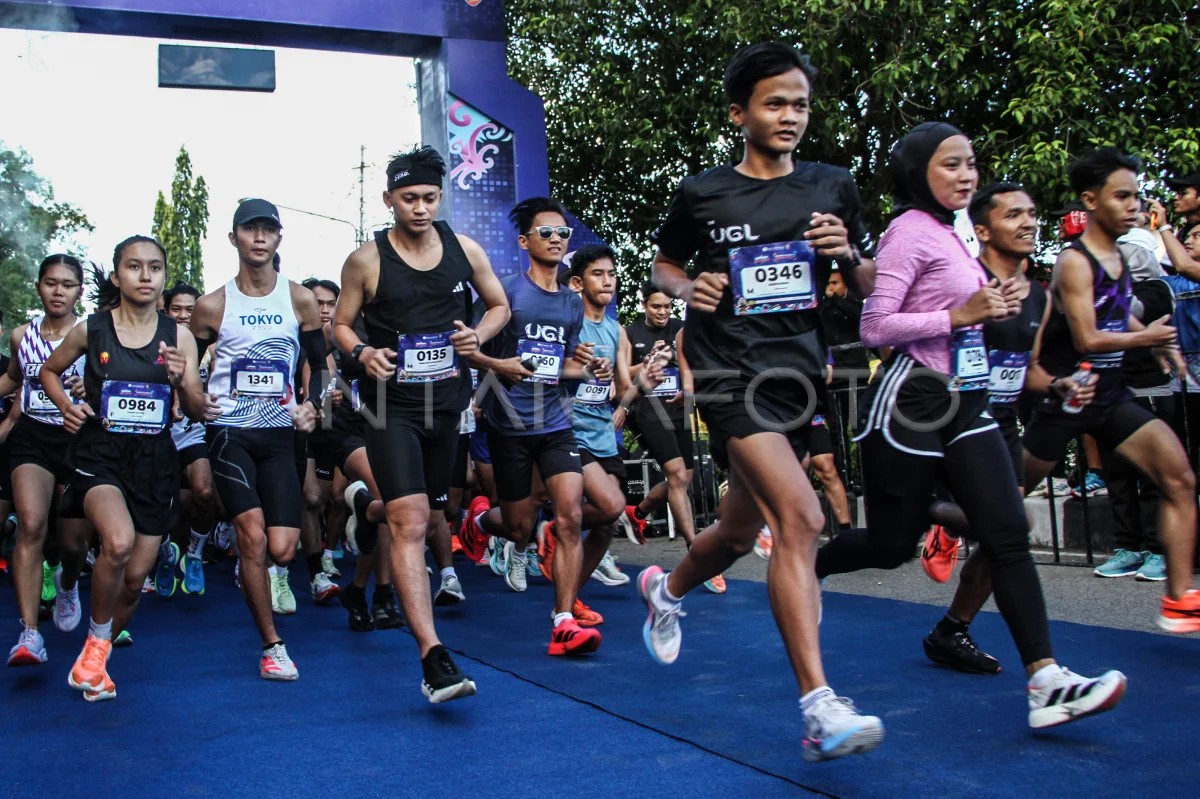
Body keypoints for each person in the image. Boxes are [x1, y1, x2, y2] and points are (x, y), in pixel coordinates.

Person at [816, 124, 1130, 731]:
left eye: (971, 163)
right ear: (918, 172)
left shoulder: (952, 234)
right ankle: (811, 570)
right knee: (892, 545)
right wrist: (959, 313)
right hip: (911, 400)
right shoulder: (910, 230)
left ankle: (1046, 680)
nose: (966, 175)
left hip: (965, 400)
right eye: (951, 164)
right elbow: (876, 327)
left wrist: (1005, 334)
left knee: (1007, 530)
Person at [637, 42, 884, 761]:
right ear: (739, 113)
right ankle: (819, 708)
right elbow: (664, 264)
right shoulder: (704, 192)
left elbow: (869, 283)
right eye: (775, 103)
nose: (790, 116)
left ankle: (665, 590)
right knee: (801, 518)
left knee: (739, 534)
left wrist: (848, 253)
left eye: (800, 104)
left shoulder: (833, 185)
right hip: (727, 373)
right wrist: (689, 288)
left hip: (797, 376)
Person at [334, 145, 508, 702]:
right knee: (411, 523)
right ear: (389, 199)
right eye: (409, 198)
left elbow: (499, 305)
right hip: (390, 406)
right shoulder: (366, 260)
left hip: (446, 406)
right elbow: (340, 324)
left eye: (430, 197)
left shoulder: (465, 250)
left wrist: (478, 335)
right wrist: (363, 352)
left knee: (437, 513)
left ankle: (366, 511)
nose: (421, 208)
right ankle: (433, 657)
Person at [1021, 148, 1199, 632]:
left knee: (1180, 479)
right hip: (1068, 395)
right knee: (1003, 510)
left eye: (1136, 196)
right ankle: (950, 532)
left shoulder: (1119, 256)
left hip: (1111, 395)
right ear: (1091, 200)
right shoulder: (1073, 262)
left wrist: (1157, 342)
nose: (1134, 205)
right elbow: (1088, 338)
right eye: (1121, 196)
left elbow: (1121, 317)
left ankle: (1179, 599)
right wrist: (1147, 338)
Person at [42, 235, 217, 701]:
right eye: (134, 266)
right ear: (118, 276)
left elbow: (195, 409)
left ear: (163, 276)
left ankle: (95, 655)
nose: (145, 276)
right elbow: (48, 371)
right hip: (100, 454)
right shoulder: (92, 329)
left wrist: (183, 382)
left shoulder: (179, 336)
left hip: (155, 461)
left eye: (155, 267)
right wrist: (66, 406)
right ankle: (96, 650)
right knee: (117, 543)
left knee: (136, 579)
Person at [915, 182, 1056, 673]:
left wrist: (1061, 386)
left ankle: (951, 631)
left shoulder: (1040, 297)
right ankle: (925, 512)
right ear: (982, 230)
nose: (1028, 222)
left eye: (1031, 213)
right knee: (1011, 527)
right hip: (959, 420)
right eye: (1013, 214)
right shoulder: (963, 282)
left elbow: (1028, 369)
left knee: (1007, 536)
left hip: (1004, 423)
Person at [463, 196, 610, 657]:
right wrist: (498, 366)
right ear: (525, 242)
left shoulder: (571, 302)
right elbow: (468, 349)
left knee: (570, 516)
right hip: (508, 425)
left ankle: (563, 620)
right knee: (518, 526)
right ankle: (478, 521)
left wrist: (591, 369)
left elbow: (564, 366)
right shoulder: (505, 293)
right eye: (545, 232)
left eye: (562, 233)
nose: (556, 239)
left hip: (556, 423)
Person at [189, 199, 325, 681]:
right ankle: (272, 645)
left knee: (282, 549)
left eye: (269, 229)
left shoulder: (300, 300)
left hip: (280, 434)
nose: (260, 237)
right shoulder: (211, 305)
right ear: (234, 238)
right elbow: (187, 366)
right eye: (250, 229)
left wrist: (313, 405)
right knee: (252, 536)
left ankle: (253, 569)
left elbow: (320, 366)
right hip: (230, 431)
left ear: (279, 238)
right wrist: (194, 398)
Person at [536, 245, 669, 625]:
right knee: (611, 506)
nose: (608, 281)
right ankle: (555, 527)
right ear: (578, 283)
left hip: (603, 433)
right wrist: (579, 370)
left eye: (612, 274)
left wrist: (647, 379)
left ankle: (569, 597)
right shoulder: (567, 324)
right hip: (567, 429)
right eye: (598, 274)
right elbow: (547, 371)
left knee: (608, 525)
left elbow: (622, 390)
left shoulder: (616, 330)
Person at [2, 255, 91, 665]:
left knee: (73, 543)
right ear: (39, 286)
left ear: (79, 291)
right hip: (32, 437)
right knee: (31, 525)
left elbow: (109, 384)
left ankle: (68, 582)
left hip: (76, 440)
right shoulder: (21, 335)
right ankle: (30, 633)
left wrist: (89, 387)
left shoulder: (91, 334)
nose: (58, 291)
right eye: (51, 283)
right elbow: (14, 378)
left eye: (67, 285)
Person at [618, 284, 716, 583]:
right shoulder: (630, 333)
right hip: (647, 410)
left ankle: (638, 512)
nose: (662, 312)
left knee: (684, 478)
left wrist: (689, 386)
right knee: (676, 474)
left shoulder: (681, 329)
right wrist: (647, 363)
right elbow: (622, 373)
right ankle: (696, 553)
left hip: (679, 408)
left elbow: (696, 361)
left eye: (667, 307)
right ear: (644, 305)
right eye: (656, 306)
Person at [160, 281, 216, 596]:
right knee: (167, 504)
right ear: (165, 311)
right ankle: (165, 554)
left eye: (190, 309)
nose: (183, 315)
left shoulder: (211, 347)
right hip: (159, 436)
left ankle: (194, 554)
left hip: (194, 432)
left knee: (204, 492)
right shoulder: (152, 342)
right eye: (176, 309)